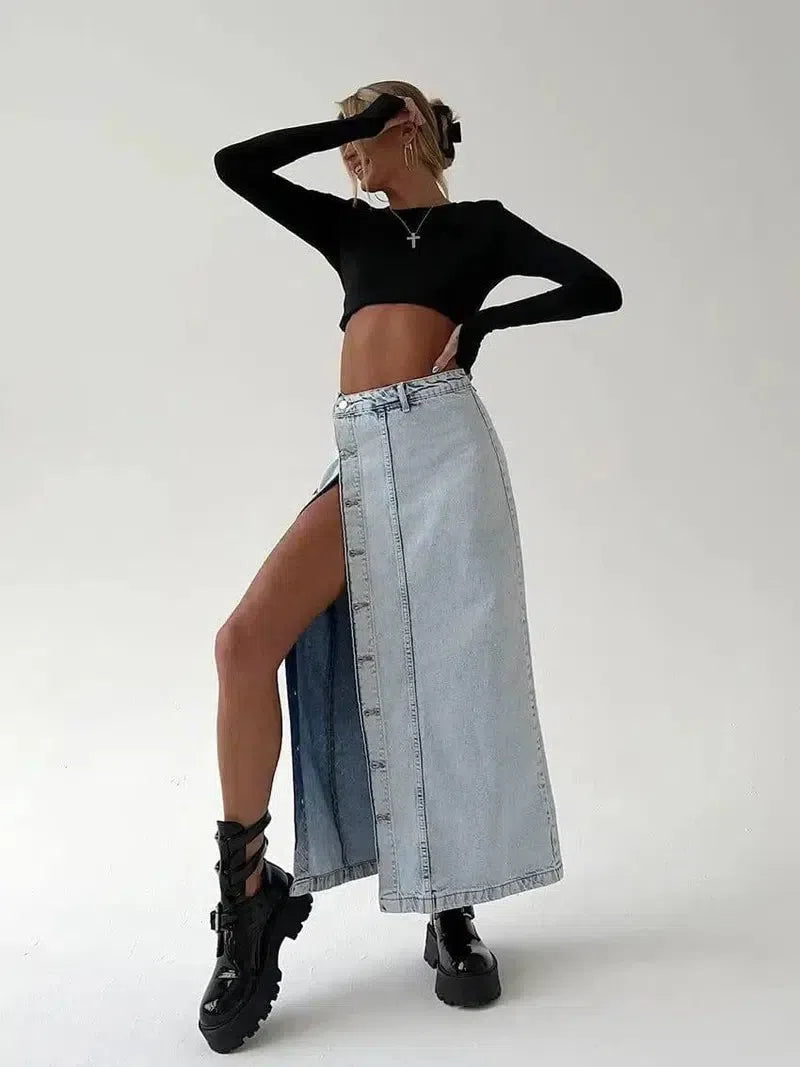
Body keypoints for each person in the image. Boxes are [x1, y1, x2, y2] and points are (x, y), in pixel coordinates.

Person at [198, 80, 622, 1052]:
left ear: (409, 131)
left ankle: (451, 910)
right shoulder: (347, 229)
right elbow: (236, 166)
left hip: (440, 452)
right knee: (242, 642)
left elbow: (595, 286)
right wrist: (346, 127)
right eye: (344, 135)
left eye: (365, 130)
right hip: (359, 451)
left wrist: (487, 325)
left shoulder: (482, 228)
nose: (348, 154)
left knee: (445, 681)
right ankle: (248, 902)